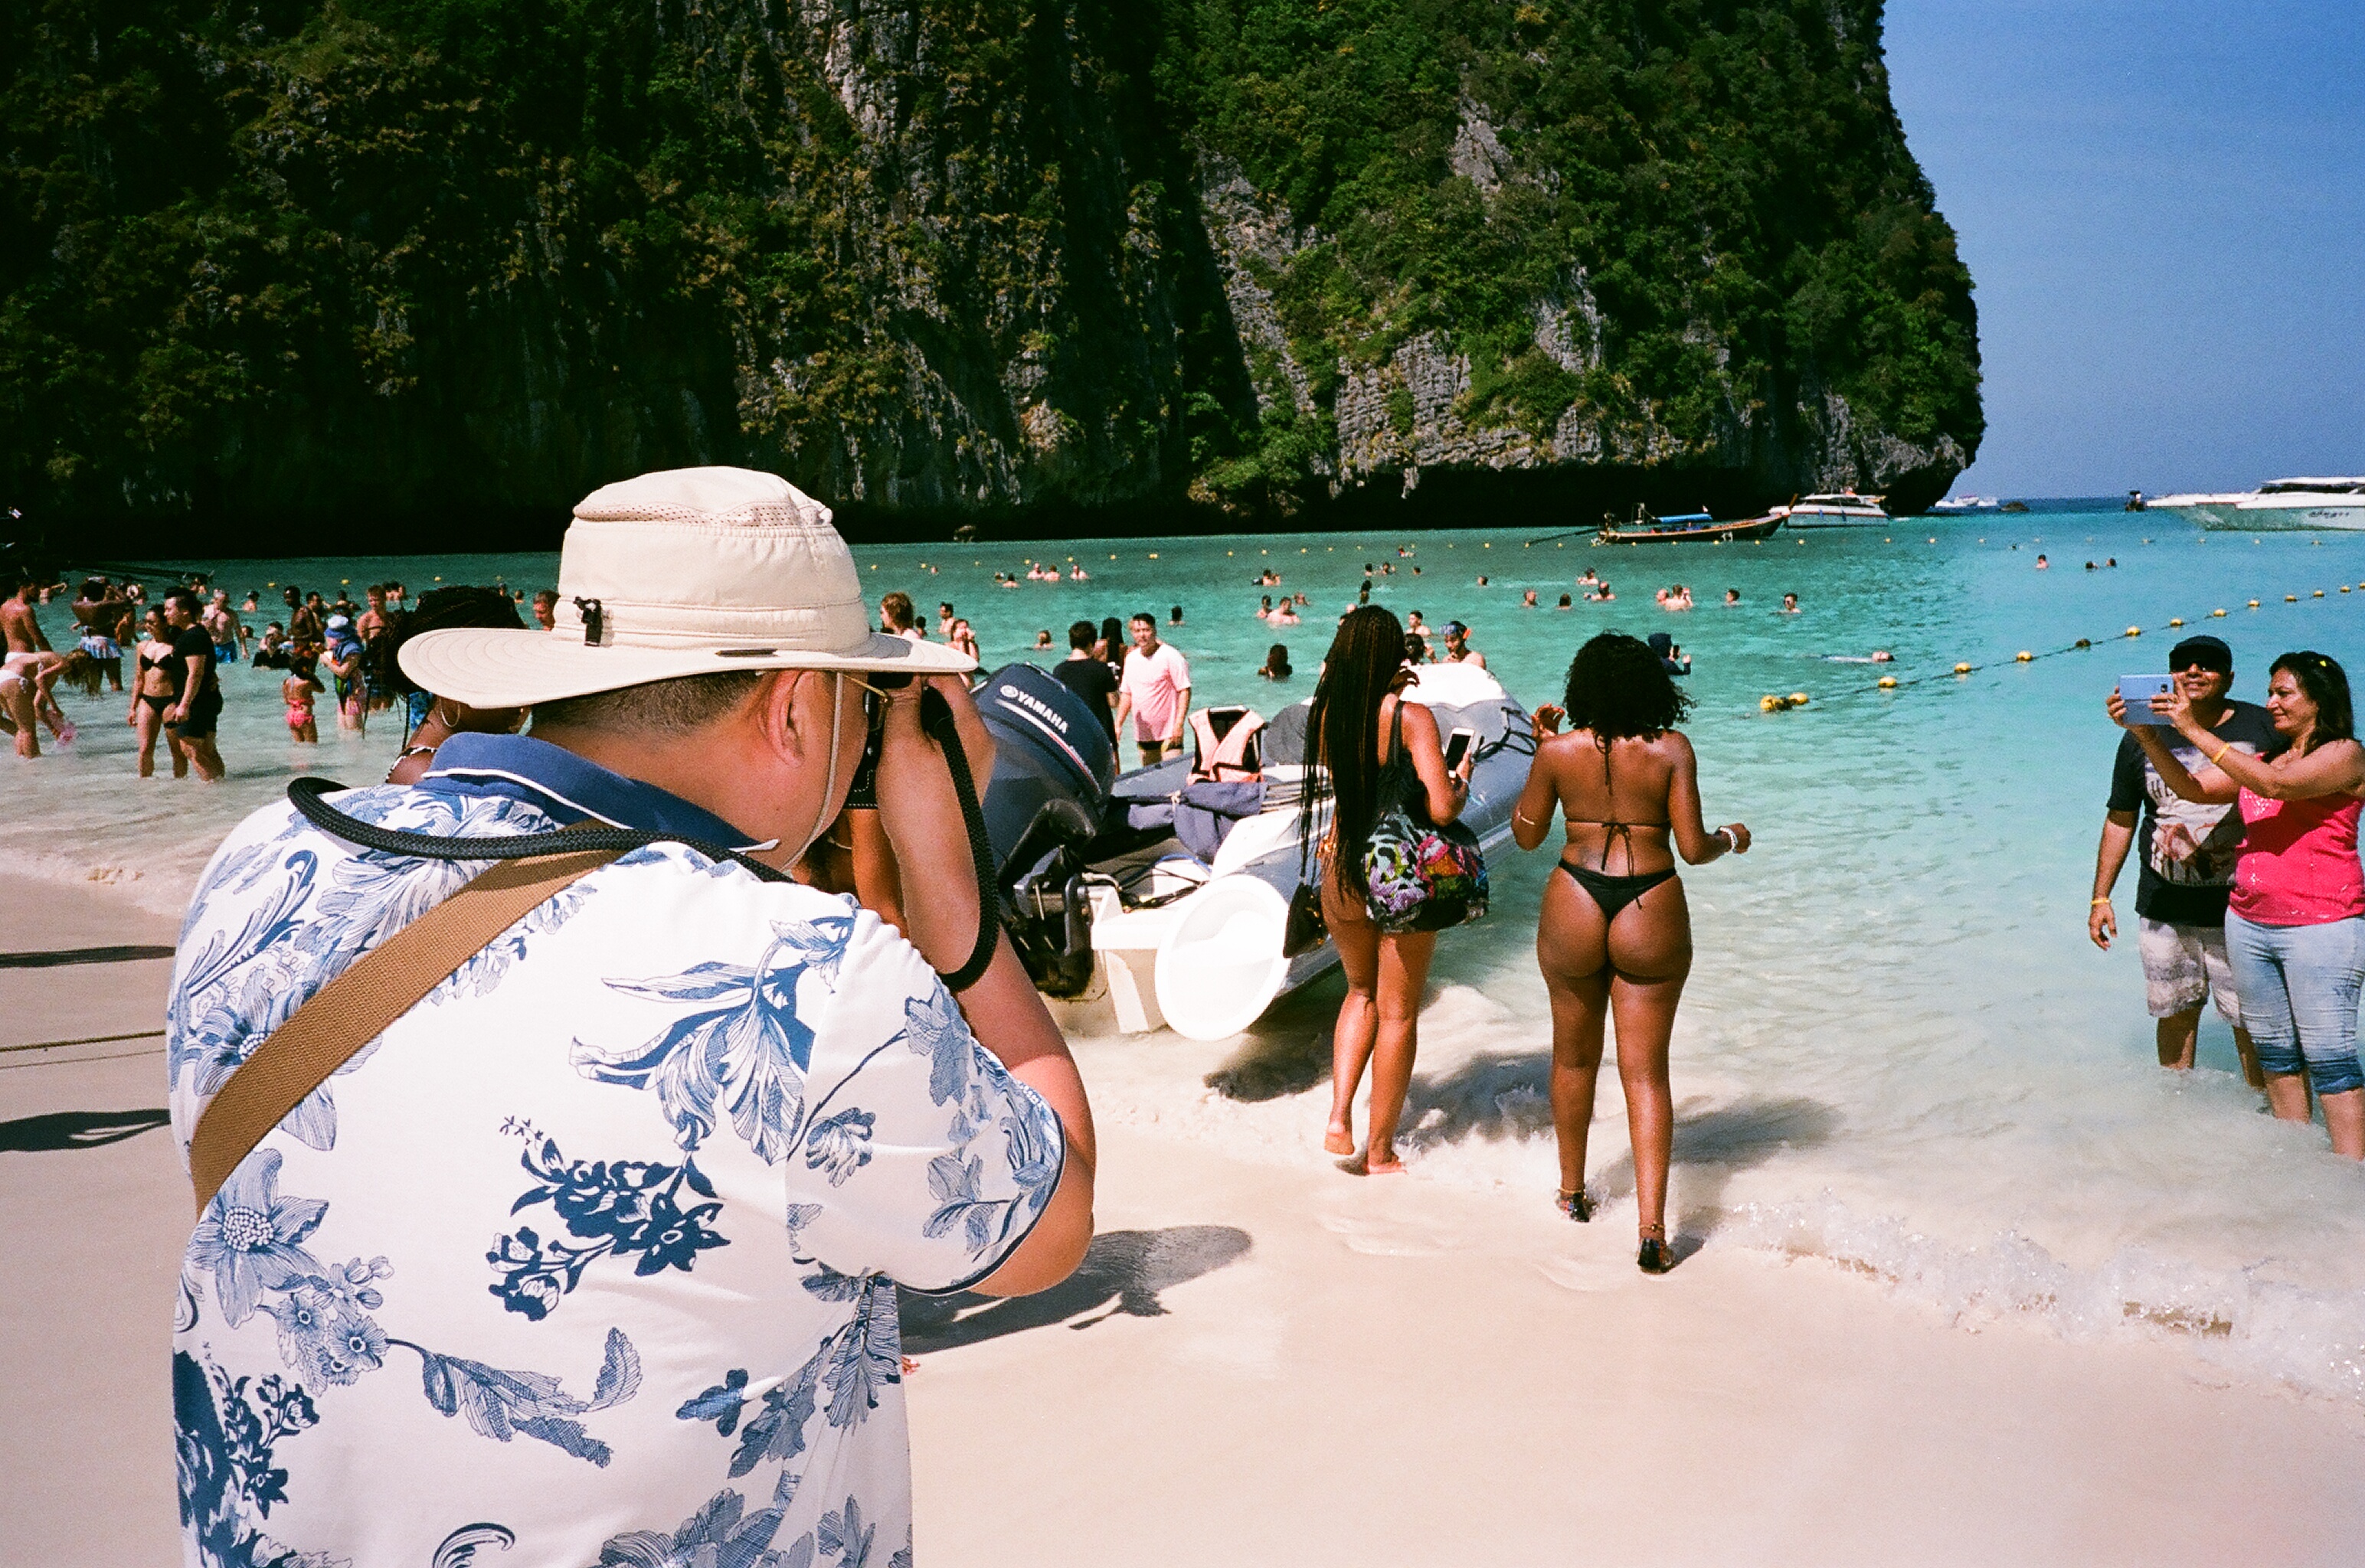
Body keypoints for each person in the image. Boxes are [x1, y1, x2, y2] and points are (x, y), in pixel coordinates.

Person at [166, 466, 1094, 1566]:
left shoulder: (261, 864)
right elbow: (1053, 1221)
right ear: (794, 707)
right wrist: (957, 890)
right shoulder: (806, 975)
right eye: (863, 705)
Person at [1511, 632, 1750, 1272]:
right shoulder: (1672, 749)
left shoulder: (1558, 751)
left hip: (1575, 896)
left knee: (1573, 1058)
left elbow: (1527, 837)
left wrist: (1542, 753)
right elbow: (1693, 849)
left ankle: (1572, 1195)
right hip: (1651, 901)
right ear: (1651, 686)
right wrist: (1732, 836)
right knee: (1646, 1074)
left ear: (1582, 687)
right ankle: (1652, 1231)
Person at [2113, 652, 2365, 1156]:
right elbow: (2192, 789)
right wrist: (2148, 736)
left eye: (2283, 693)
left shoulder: (2345, 754)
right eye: (2269, 692)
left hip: (2321, 925)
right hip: (2249, 923)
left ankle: (2349, 1177)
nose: (2270, 703)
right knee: (2276, 1054)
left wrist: (2189, 726)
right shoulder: (2268, 759)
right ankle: (2296, 1163)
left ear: (2320, 699)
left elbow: (2278, 788)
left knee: (2331, 1058)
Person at [1299, 606, 1474, 1174]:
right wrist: (1462, 778)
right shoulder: (1411, 717)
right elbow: (1441, 809)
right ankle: (1379, 1153)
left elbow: (1356, 787)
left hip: (1341, 868)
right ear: (1396, 653)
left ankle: (1338, 1118)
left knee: (1359, 993)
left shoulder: (1329, 718)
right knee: (1398, 1015)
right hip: (1396, 873)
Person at [2092, 636, 2275, 1077]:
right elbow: (2121, 817)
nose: (2194, 671)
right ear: (2169, 675)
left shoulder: (2262, 727)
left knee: (2252, 1024)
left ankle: (2262, 1109)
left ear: (2229, 678)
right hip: (2165, 902)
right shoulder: (2141, 734)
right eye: (2183, 664)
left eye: (2208, 665)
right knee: (2174, 1013)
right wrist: (2101, 897)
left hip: (2241, 906)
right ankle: (2177, 1108)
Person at [380, 585, 530, 782]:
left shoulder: (446, 762)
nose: (520, 693)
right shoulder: (427, 773)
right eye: (504, 674)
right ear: (450, 677)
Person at [160, 587, 225, 779]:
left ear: (185, 611)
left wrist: (184, 705)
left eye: (169, 609)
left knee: (191, 749)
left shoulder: (192, 637)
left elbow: (195, 673)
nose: (166, 614)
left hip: (197, 701)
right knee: (207, 749)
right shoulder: (195, 634)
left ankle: (212, 787)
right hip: (206, 698)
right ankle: (222, 786)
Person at [1114, 612, 1191, 766]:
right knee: (1149, 779)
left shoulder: (1170, 655)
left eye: (1146, 630)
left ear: (1154, 631)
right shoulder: (1131, 658)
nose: (1142, 635)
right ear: (1132, 633)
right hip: (1144, 734)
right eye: (1137, 631)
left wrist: (1179, 724)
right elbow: (1127, 694)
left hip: (1170, 732)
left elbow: (1184, 690)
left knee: (1172, 778)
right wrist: (1118, 724)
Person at [129, 606, 188, 778]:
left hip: (170, 700)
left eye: (152, 622)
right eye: (146, 621)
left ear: (164, 623)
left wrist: (184, 704)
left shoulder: (176, 646)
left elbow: (189, 675)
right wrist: (132, 707)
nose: (147, 625)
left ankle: (180, 786)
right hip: (147, 700)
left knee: (177, 751)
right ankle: (145, 786)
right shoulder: (142, 646)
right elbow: (139, 679)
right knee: (145, 749)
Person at [1052, 619, 1119, 740]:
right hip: (1101, 732)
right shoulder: (1102, 669)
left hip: (1073, 732)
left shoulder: (1059, 670)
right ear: (1091, 643)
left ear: (1071, 642)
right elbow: (1114, 702)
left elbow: (1059, 705)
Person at [72, 577, 127, 692]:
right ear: (102, 594)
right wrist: (111, 586)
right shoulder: (102, 605)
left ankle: (93, 703)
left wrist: (85, 584)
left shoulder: (76, 605)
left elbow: (80, 595)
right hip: (104, 641)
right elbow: (125, 601)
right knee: (115, 681)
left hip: (86, 642)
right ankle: (117, 703)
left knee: (93, 683)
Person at [322, 614, 369, 732]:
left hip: (354, 693)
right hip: (344, 692)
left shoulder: (353, 650)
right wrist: (324, 651)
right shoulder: (339, 647)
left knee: (354, 732)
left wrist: (327, 662)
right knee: (343, 730)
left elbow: (343, 672)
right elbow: (333, 661)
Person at [282, 652, 325, 743]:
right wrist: (312, 675)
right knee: (312, 745)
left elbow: (286, 701)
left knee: (299, 746)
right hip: (303, 714)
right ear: (304, 668)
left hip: (291, 715)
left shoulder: (287, 682)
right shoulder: (306, 683)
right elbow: (322, 689)